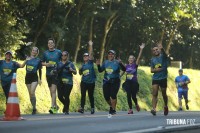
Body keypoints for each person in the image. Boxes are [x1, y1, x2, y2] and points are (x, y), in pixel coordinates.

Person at [96, 50, 126, 115]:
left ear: (114, 56)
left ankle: (113, 109)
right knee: (106, 96)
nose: (110, 55)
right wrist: (98, 65)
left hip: (115, 81)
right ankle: (111, 106)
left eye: (112, 54)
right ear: (107, 55)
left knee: (113, 95)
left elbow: (124, 69)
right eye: (109, 54)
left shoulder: (117, 62)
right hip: (106, 81)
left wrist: (121, 63)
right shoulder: (105, 62)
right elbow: (100, 70)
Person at [122, 43, 145, 114]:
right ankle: (130, 109)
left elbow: (138, 58)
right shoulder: (126, 65)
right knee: (128, 95)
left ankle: (136, 104)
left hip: (134, 82)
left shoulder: (135, 65)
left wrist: (141, 49)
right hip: (128, 82)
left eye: (132, 58)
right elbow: (123, 72)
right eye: (130, 58)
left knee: (133, 96)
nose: (131, 59)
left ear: (133, 60)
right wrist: (119, 76)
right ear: (128, 59)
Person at [52, 51, 77, 115]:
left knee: (66, 96)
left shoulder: (70, 63)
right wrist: (54, 71)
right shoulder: (58, 63)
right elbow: (54, 70)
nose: (63, 56)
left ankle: (66, 109)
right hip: (60, 82)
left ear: (67, 56)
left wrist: (72, 70)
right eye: (62, 55)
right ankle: (66, 105)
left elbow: (75, 72)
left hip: (68, 82)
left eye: (65, 55)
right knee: (60, 96)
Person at [42, 38, 62, 114]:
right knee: (51, 91)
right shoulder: (45, 53)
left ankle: (52, 107)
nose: (50, 44)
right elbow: (41, 63)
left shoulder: (58, 52)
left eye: (51, 43)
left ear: (54, 44)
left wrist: (59, 67)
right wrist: (46, 64)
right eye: (49, 43)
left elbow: (63, 60)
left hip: (56, 74)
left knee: (53, 90)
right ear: (48, 45)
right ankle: (56, 106)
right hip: (48, 74)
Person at [78, 40, 96, 114]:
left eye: (87, 56)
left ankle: (92, 108)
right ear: (83, 57)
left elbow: (91, 54)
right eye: (84, 56)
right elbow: (80, 73)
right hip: (84, 82)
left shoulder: (90, 62)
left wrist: (90, 45)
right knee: (83, 95)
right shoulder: (82, 65)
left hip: (91, 82)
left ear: (88, 57)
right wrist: (80, 69)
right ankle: (82, 108)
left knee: (91, 96)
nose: (85, 57)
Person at [150, 42, 169, 116]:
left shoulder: (163, 56)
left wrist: (162, 49)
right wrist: (159, 69)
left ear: (159, 50)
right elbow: (151, 70)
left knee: (164, 93)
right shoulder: (152, 60)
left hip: (163, 78)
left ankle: (165, 106)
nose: (155, 51)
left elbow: (165, 54)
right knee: (154, 93)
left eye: (157, 49)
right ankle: (154, 109)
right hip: (155, 78)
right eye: (154, 50)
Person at [24, 47, 42, 115]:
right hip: (27, 77)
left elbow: (40, 70)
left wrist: (40, 79)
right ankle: (34, 108)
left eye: (35, 51)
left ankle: (34, 108)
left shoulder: (38, 60)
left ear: (37, 53)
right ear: (31, 51)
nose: (34, 52)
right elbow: (20, 51)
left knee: (32, 92)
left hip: (34, 77)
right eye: (33, 50)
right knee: (30, 94)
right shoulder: (27, 58)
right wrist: (26, 45)